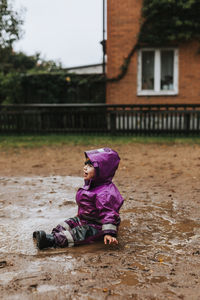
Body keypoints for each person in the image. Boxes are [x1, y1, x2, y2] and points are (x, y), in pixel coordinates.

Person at [33, 147, 124, 250]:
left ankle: (51, 241)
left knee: (79, 234)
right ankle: (53, 235)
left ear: (102, 171)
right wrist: (80, 214)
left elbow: (109, 213)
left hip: (98, 225)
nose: (85, 168)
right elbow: (86, 203)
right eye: (85, 164)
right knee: (66, 224)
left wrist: (109, 233)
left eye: (90, 166)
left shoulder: (105, 193)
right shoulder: (91, 185)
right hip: (85, 218)